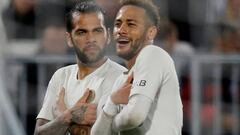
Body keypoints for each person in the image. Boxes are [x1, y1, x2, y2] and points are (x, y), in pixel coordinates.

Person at [34, 1, 126, 135]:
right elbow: (39, 133)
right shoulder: (61, 76)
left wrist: (64, 117)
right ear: (69, 39)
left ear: (107, 36)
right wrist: (69, 116)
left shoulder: (121, 78)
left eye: (97, 31)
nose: (91, 39)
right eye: (82, 32)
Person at [91, 0, 183, 135]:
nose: (121, 30)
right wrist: (112, 102)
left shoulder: (154, 55)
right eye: (118, 24)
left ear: (151, 33)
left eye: (131, 24)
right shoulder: (119, 82)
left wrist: (110, 121)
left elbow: (135, 116)